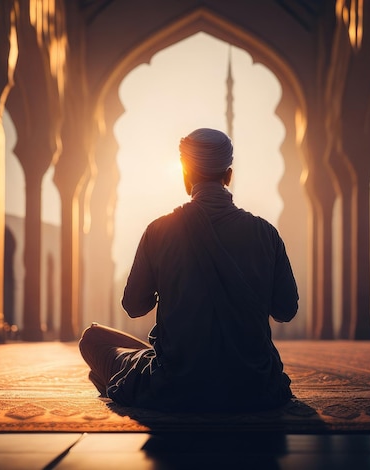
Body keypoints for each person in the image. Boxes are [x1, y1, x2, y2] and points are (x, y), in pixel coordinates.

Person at [79, 128, 298, 412]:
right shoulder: (266, 234)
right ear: (228, 175)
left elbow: (133, 306)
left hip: (175, 383)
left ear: (186, 175)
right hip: (253, 385)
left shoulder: (159, 231)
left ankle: (123, 382)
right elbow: (286, 310)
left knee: (94, 338)